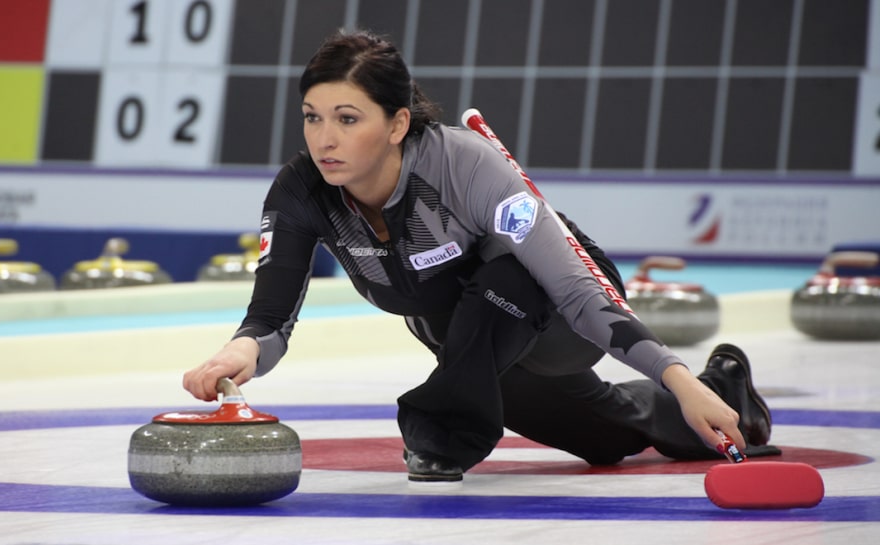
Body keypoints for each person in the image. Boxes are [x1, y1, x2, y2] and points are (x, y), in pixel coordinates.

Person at [182, 29, 773, 482]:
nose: (323, 139)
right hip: (470, 341)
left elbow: (575, 290)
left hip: (558, 310)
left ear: (397, 124)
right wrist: (239, 353)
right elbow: (270, 317)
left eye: (347, 119)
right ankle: (728, 393)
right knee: (606, 438)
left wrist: (671, 370)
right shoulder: (301, 191)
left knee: (505, 282)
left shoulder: (464, 165)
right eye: (312, 117)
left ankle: (440, 430)